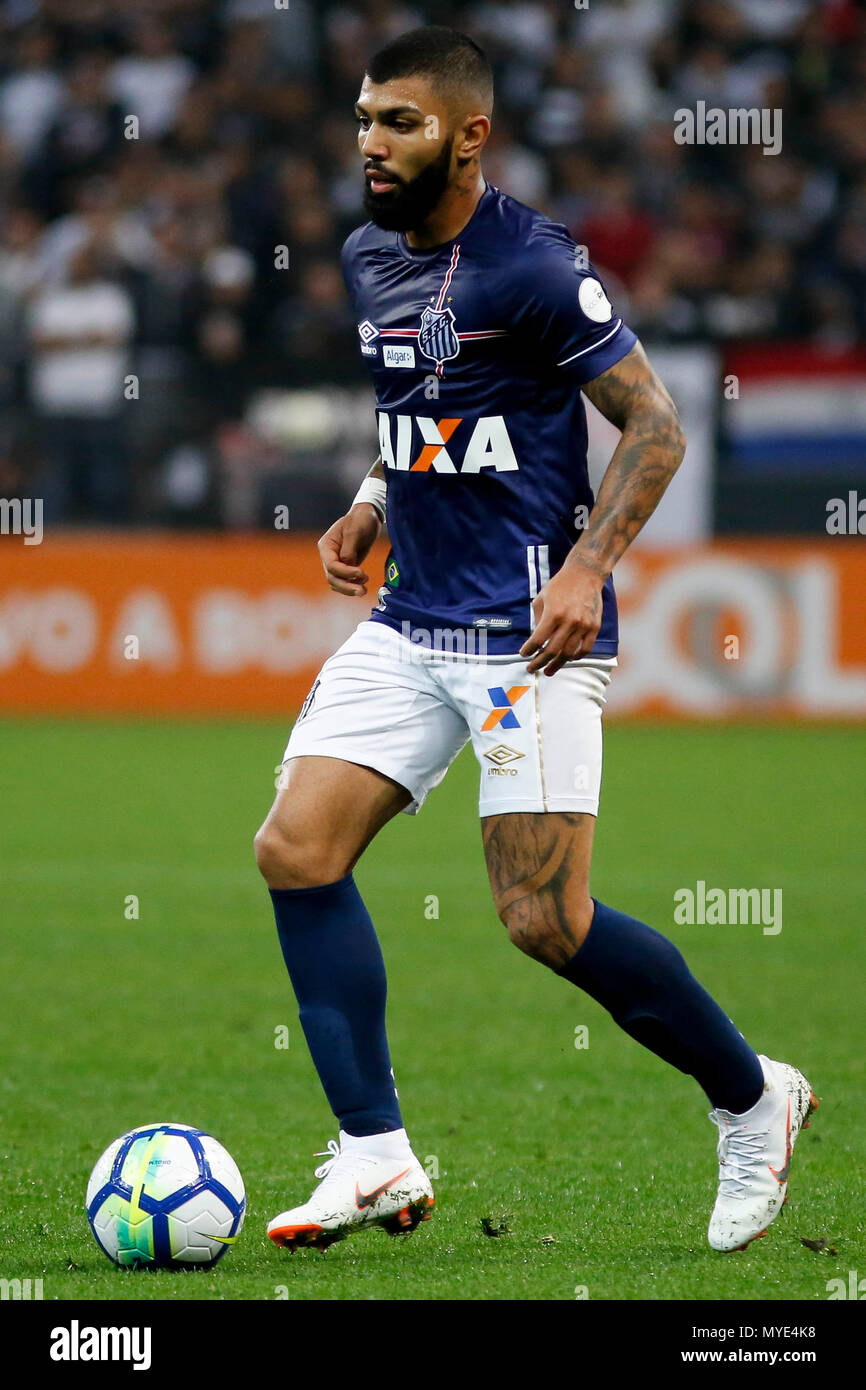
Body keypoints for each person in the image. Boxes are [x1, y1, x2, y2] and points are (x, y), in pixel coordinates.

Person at [254, 26, 816, 1256]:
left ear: (467, 135)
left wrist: (584, 570)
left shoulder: (534, 267)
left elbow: (655, 429)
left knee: (542, 921)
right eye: (360, 117)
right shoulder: (364, 254)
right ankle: (374, 1155)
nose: (367, 142)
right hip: (410, 623)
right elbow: (423, 408)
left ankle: (750, 1096)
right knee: (296, 849)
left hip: (527, 637)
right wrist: (370, 496)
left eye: (396, 121)